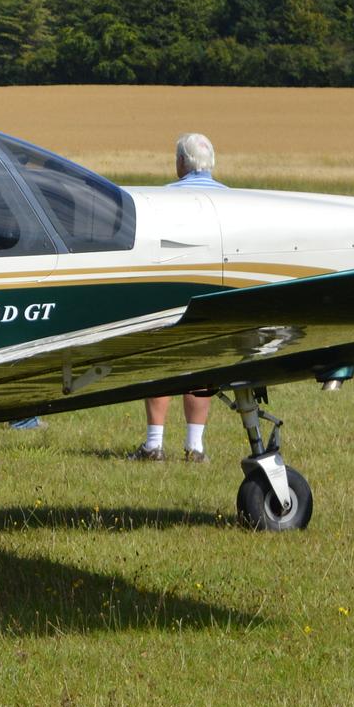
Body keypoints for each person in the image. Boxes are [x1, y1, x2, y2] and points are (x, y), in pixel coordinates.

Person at [130, 133, 228, 462]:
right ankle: (195, 446)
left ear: (181, 164)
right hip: (215, 293)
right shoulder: (232, 199)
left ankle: (154, 443)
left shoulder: (164, 198)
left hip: (172, 290)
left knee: (162, 364)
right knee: (201, 366)